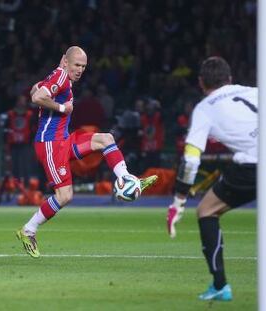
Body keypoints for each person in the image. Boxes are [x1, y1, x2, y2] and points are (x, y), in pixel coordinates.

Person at [16, 46, 157, 258]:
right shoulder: (62, 76)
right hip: (50, 145)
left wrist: (41, 89)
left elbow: (34, 90)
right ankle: (28, 230)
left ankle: (127, 179)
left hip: (63, 140)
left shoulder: (59, 76)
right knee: (64, 196)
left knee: (106, 139)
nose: (80, 70)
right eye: (77, 65)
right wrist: (64, 108)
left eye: (83, 66)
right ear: (65, 61)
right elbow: (37, 99)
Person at [167, 57, 257, 301]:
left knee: (207, 211)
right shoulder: (254, 91)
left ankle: (220, 285)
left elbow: (191, 160)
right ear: (230, 79)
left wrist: (179, 200)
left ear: (201, 83)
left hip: (253, 165)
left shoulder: (204, 108)